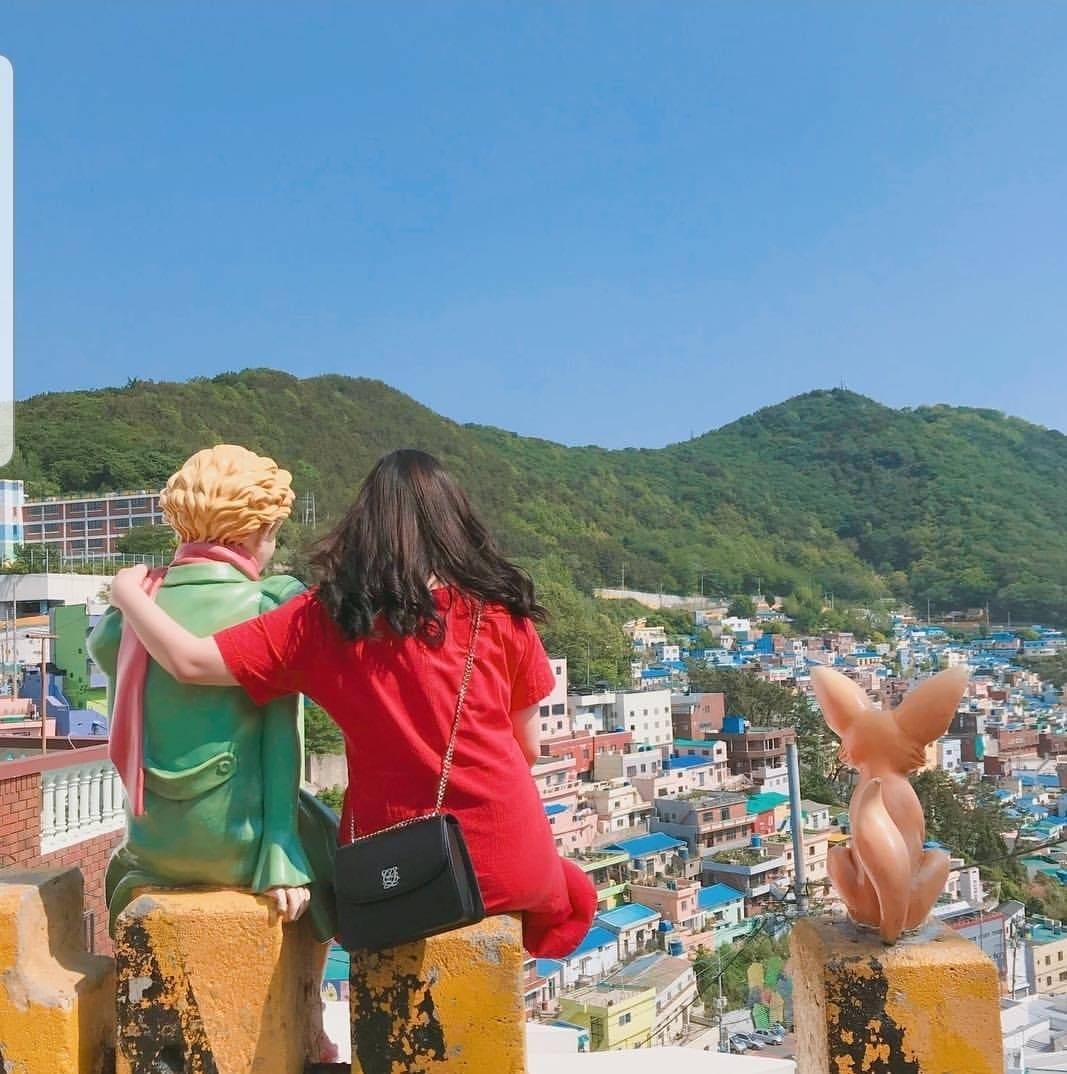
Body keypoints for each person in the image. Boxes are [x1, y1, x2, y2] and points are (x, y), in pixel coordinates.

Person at [109, 448, 597, 958]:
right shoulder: (501, 613)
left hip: (393, 870)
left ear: (362, 528)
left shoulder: (323, 620)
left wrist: (129, 594)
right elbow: (531, 750)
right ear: (457, 526)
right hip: (508, 860)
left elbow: (188, 661)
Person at [90, 445, 337, 940]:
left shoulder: (136, 606)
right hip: (236, 847)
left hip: (151, 845)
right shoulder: (271, 602)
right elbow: (280, 740)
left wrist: (127, 595)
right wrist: (279, 850)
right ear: (258, 530)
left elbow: (103, 647)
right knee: (333, 840)